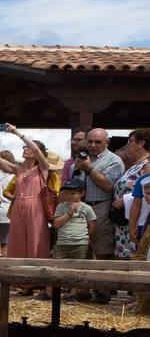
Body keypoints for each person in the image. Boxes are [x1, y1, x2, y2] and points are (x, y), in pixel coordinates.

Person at [0, 125, 53, 269]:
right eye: (24, 147)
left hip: (36, 206)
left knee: (36, 240)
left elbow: (37, 150)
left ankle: (37, 277)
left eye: (28, 147)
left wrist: (17, 133)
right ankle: (20, 278)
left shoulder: (42, 167)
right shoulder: (18, 169)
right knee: (17, 240)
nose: (25, 149)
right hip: (18, 206)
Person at [72, 127, 123, 265]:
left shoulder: (114, 160)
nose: (93, 145)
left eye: (98, 142)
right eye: (90, 141)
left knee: (103, 253)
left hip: (101, 208)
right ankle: (86, 285)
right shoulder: (81, 158)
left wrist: (88, 168)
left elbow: (108, 185)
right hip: (79, 208)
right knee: (80, 252)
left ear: (107, 142)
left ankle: (106, 285)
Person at [52, 179, 97, 302]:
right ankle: (54, 292)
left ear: (81, 193)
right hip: (62, 243)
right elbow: (56, 224)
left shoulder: (87, 208)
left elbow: (92, 226)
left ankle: (73, 293)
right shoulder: (61, 207)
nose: (69, 196)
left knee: (78, 268)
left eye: (73, 193)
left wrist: (84, 237)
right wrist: (69, 213)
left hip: (80, 243)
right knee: (57, 266)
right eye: (67, 193)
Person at [110, 128, 150, 260]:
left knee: (135, 257)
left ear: (141, 143)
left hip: (137, 218)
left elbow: (147, 191)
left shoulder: (147, 164)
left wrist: (124, 200)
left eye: (131, 141)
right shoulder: (135, 164)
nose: (128, 144)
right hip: (126, 220)